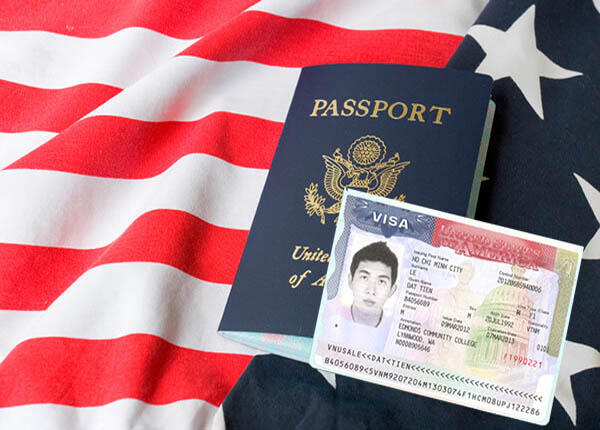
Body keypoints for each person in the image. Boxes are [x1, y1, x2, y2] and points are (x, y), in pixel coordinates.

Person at [347, 241, 398, 328]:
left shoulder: (394, 328)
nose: (371, 291)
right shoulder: (328, 316)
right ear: (350, 281)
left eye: (381, 281)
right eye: (364, 277)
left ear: (392, 290)